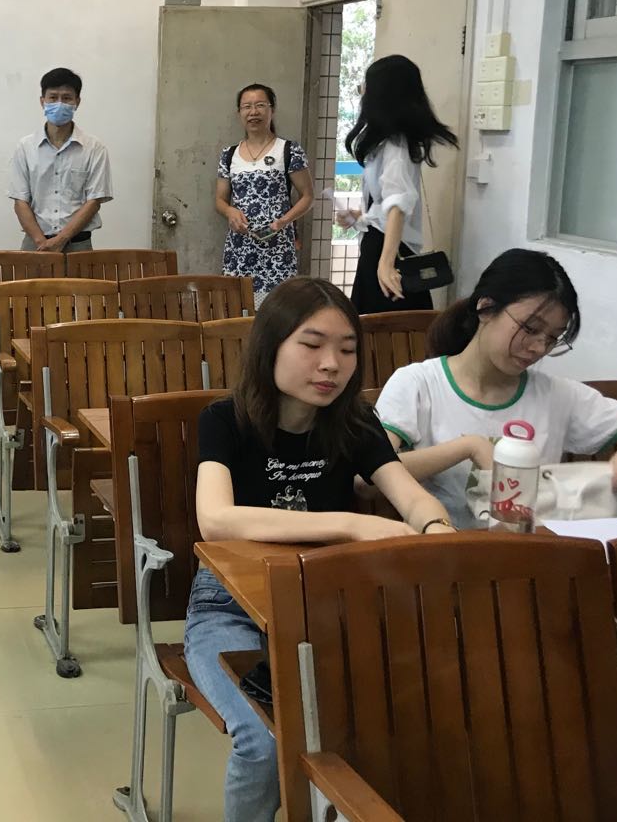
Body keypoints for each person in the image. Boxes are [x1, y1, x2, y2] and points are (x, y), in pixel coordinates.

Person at [186, 276, 451, 822]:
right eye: (312, 345)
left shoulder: (355, 423)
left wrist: (436, 530)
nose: (331, 364)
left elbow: (409, 495)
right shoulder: (225, 420)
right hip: (230, 608)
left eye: (347, 350)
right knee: (264, 742)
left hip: (328, 609)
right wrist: (350, 526)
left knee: (401, 720)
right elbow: (216, 520)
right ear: (271, 346)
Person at [376, 248, 617, 529]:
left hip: (536, 560)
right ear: (486, 307)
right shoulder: (419, 384)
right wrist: (468, 447)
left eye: (553, 337)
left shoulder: (558, 396)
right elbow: (366, 477)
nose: (539, 347)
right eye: (530, 329)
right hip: (448, 556)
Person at [334, 54, 458, 314]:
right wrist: (360, 218)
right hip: (379, 246)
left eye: (366, 86)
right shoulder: (386, 143)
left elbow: (397, 203)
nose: (362, 93)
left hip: (387, 251)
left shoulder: (396, 146)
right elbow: (386, 205)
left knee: (384, 326)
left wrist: (386, 262)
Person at [214, 83, 315, 305]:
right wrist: (230, 211)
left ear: (272, 110)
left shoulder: (289, 150)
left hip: (278, 247)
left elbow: (308, 196)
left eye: (260, 105)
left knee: (277, 309)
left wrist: (283, 222)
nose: (253, 112)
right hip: (240, 247)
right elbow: (220, 200)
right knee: (239, 308)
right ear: (239, 113)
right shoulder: (229, 155)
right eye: (247, 106)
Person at [8, 67, 113, 252]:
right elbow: (20, 201)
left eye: (66, 98)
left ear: (77, 102)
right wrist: (41, 242)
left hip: (78, 245)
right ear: (42, 101)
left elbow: (94, 201)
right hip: (35, 243)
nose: (59, 103)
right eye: (53, 97)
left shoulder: (94, 148)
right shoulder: (25, 147)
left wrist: (61, 240)